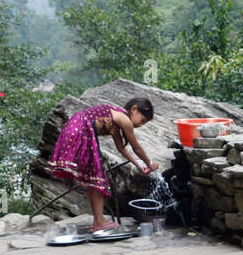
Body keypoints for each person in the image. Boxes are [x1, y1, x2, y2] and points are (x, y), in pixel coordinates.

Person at [47, 98, 159, 232]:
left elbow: (121, 148)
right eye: (142, 120)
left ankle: (98, 221)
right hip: (82, 131)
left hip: (75, 128)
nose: (141, 125)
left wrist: (138, 164)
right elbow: (137, 148)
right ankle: (99, 222)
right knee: (96, 177)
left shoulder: (116, 118)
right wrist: (150, 163)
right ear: (134, 109)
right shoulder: (124, 120)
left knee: (94, 178)